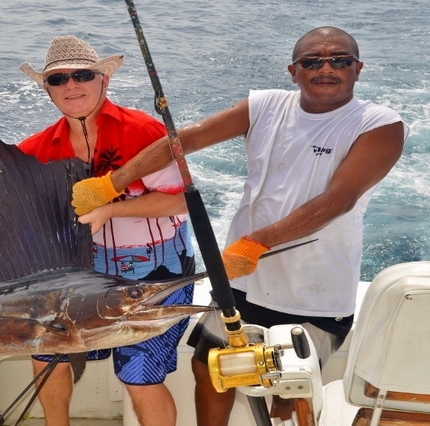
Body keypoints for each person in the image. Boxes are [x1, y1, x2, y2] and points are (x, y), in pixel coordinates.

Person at [71, 26, 408, 425]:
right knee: (211, 371)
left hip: (314, 293)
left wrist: (255, 244)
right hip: (243, 283)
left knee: (289, 389)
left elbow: (338, 200)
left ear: (358, 68)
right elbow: (184, 140)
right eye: (312, 61)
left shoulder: (379, 124)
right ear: (293, 70)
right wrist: (114, 183)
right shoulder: (265, 105)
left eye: (340, 60)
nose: (326, 68)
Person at [18, 35, 195, 426]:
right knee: (46, 353)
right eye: (57, 80)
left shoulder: (145, 133)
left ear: (104, 81)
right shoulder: (33, 151)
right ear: (47, 91)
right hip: (81, 274)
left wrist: (111, 211)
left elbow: (182, 201)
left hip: (154, 273)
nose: (71, 86)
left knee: (140, 376)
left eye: (82, 75)